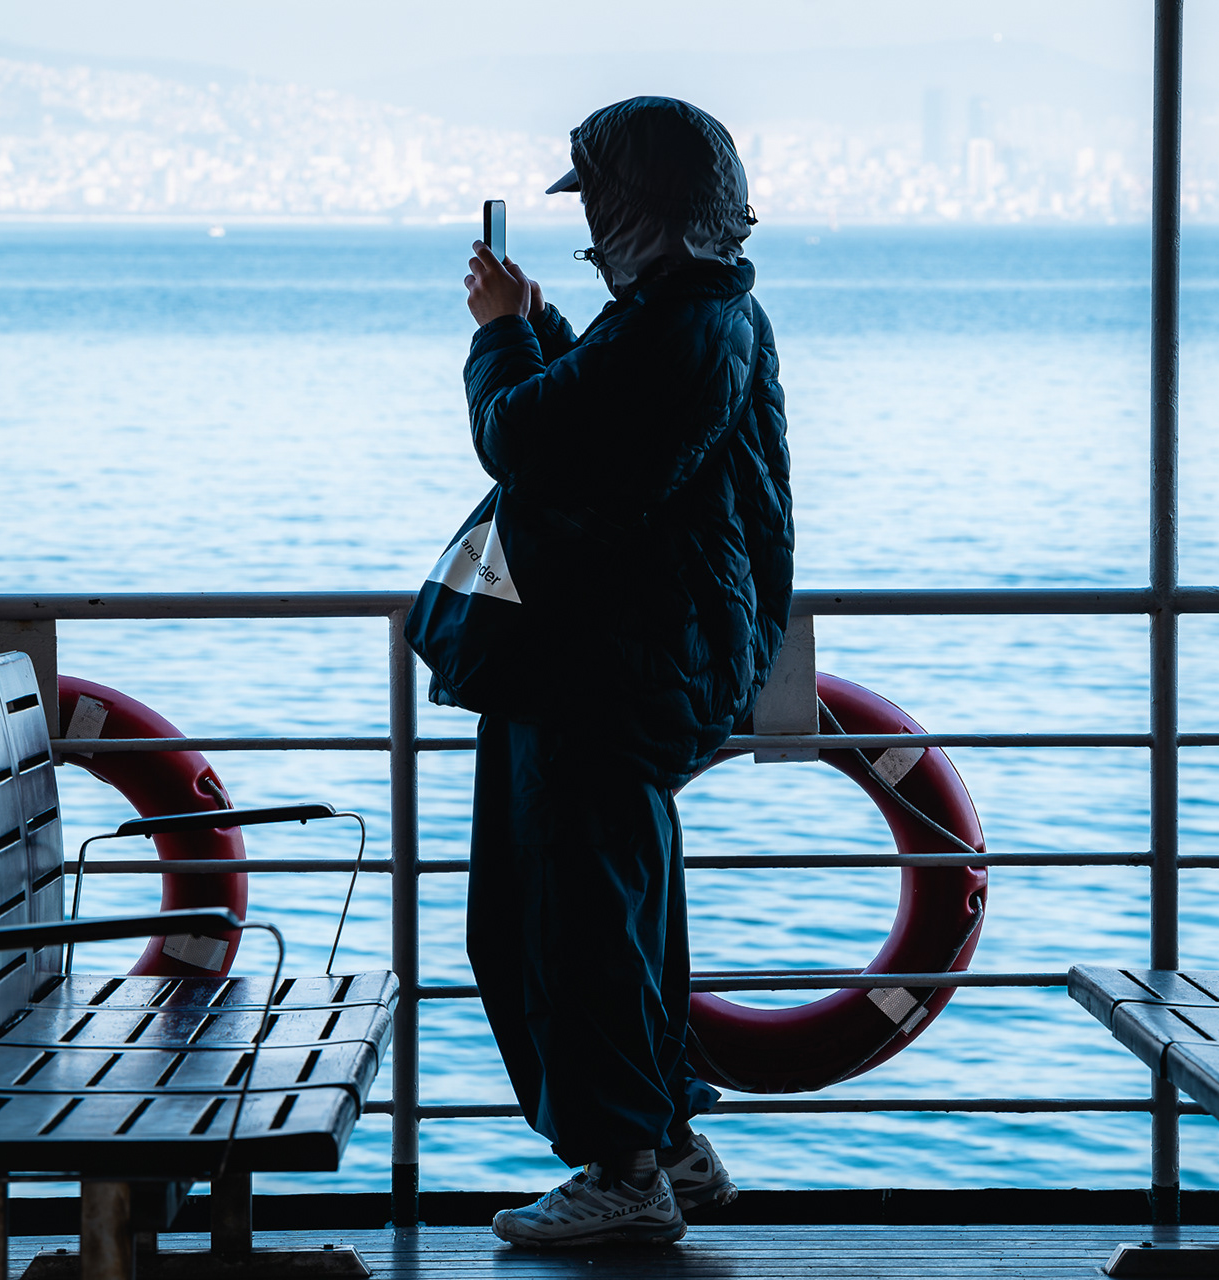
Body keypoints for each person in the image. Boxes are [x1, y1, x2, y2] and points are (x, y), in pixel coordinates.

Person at [452, 96, 792, 1248]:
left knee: (572, 919)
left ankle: (623, 1168)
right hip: (649, 659)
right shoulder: (701, 312)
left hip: (607, 667)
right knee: (618, 910)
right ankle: (668, 1141)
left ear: (637, 210)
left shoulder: (674, 328)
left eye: (601, 202)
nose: (592, 225)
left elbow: (534, 443)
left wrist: (500, 332)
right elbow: (600, 427)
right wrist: (543, 331)